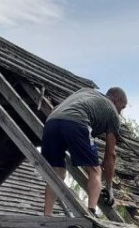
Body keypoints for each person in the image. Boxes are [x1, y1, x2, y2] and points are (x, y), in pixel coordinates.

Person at [40, 86, 127, 215]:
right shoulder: (113, 113)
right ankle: (91, 213)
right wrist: (109, 187)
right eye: (122, 107)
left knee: (57, 172)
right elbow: (110, 155)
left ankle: (46, 216)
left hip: (51, 122)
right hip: (77, 122)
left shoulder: (85, 92)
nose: (120, 112)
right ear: (117, 100)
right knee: (95, 170)